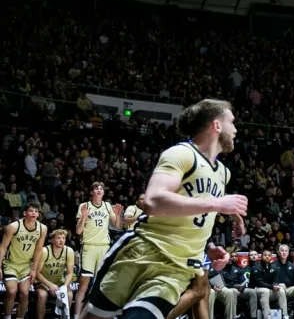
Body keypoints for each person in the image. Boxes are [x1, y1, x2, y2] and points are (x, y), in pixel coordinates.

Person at [81, 99, 248, 319]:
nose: (235, 129)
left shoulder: (223, 172)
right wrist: (218, 204)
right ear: (216, 125)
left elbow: (202, 201)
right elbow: (154, 201)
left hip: (176, 268)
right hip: (142, 252)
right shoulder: (181, 154)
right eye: (232, 122)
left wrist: (232, 222)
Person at [74, 182, 123, 318]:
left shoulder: (107, 206)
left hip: (104, 247)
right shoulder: (84, 206)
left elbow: (118, 226)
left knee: (102, 285)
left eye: (101, 188)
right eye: (96, 188)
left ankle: (100, 314)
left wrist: (118, 215)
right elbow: (78, 231)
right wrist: (83, 217)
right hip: (89, 247)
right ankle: (76, 315)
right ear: (92, 192)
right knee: (84, 285)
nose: (99, 190)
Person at [0, 201, 47, 319]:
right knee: (11, 292)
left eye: (36, 211)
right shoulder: (14, 226)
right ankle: (7, 317)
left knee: (25, 294)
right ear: (25, 213)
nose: (34, 213)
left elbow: (38, 250)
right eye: (31, 211)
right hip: (11, 264)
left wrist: (34, 270)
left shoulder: (42, 228)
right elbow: (3, 247)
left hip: (27, 265)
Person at [35, 229, 76, 319]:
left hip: (59, 281)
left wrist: (65, 286)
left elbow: (70, 273)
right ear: (52, 240)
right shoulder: (45, 251)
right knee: (42, 295)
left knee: (69, 295)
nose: (61, 240)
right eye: (58, 238)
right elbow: (37, 273)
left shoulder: (69, 251)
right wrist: (49, 284)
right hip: (44, 282)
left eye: (63, 238)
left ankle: (65, 317)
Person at [270, 244, 294, 319]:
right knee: (282, 290)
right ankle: (284, 315)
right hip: (277, 289)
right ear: (279, 252)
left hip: (289, 289)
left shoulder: (291, 265)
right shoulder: (273, 265)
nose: (284, 252)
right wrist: (277, 284)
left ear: (288, 253)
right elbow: (270, 279)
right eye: (282, 251)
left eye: (286, 251)